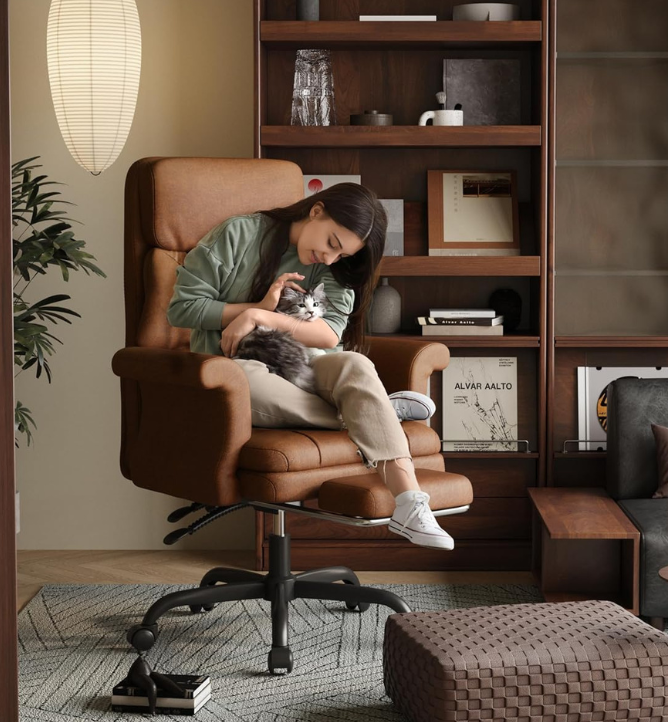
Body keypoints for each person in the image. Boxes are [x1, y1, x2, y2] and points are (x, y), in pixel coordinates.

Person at [166, 183, 454, 550]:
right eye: (332, 243)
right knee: (244, 382)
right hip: (237, 365)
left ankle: (410, 504)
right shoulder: (239, 234)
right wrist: (253, 312)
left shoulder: (335, 265)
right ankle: (377, 409)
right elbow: (182, 308)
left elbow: (329, 332)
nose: (330, 259)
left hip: (309, 366)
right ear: (316, 211)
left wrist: (260, 316)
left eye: (342, 254)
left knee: (355, 363)